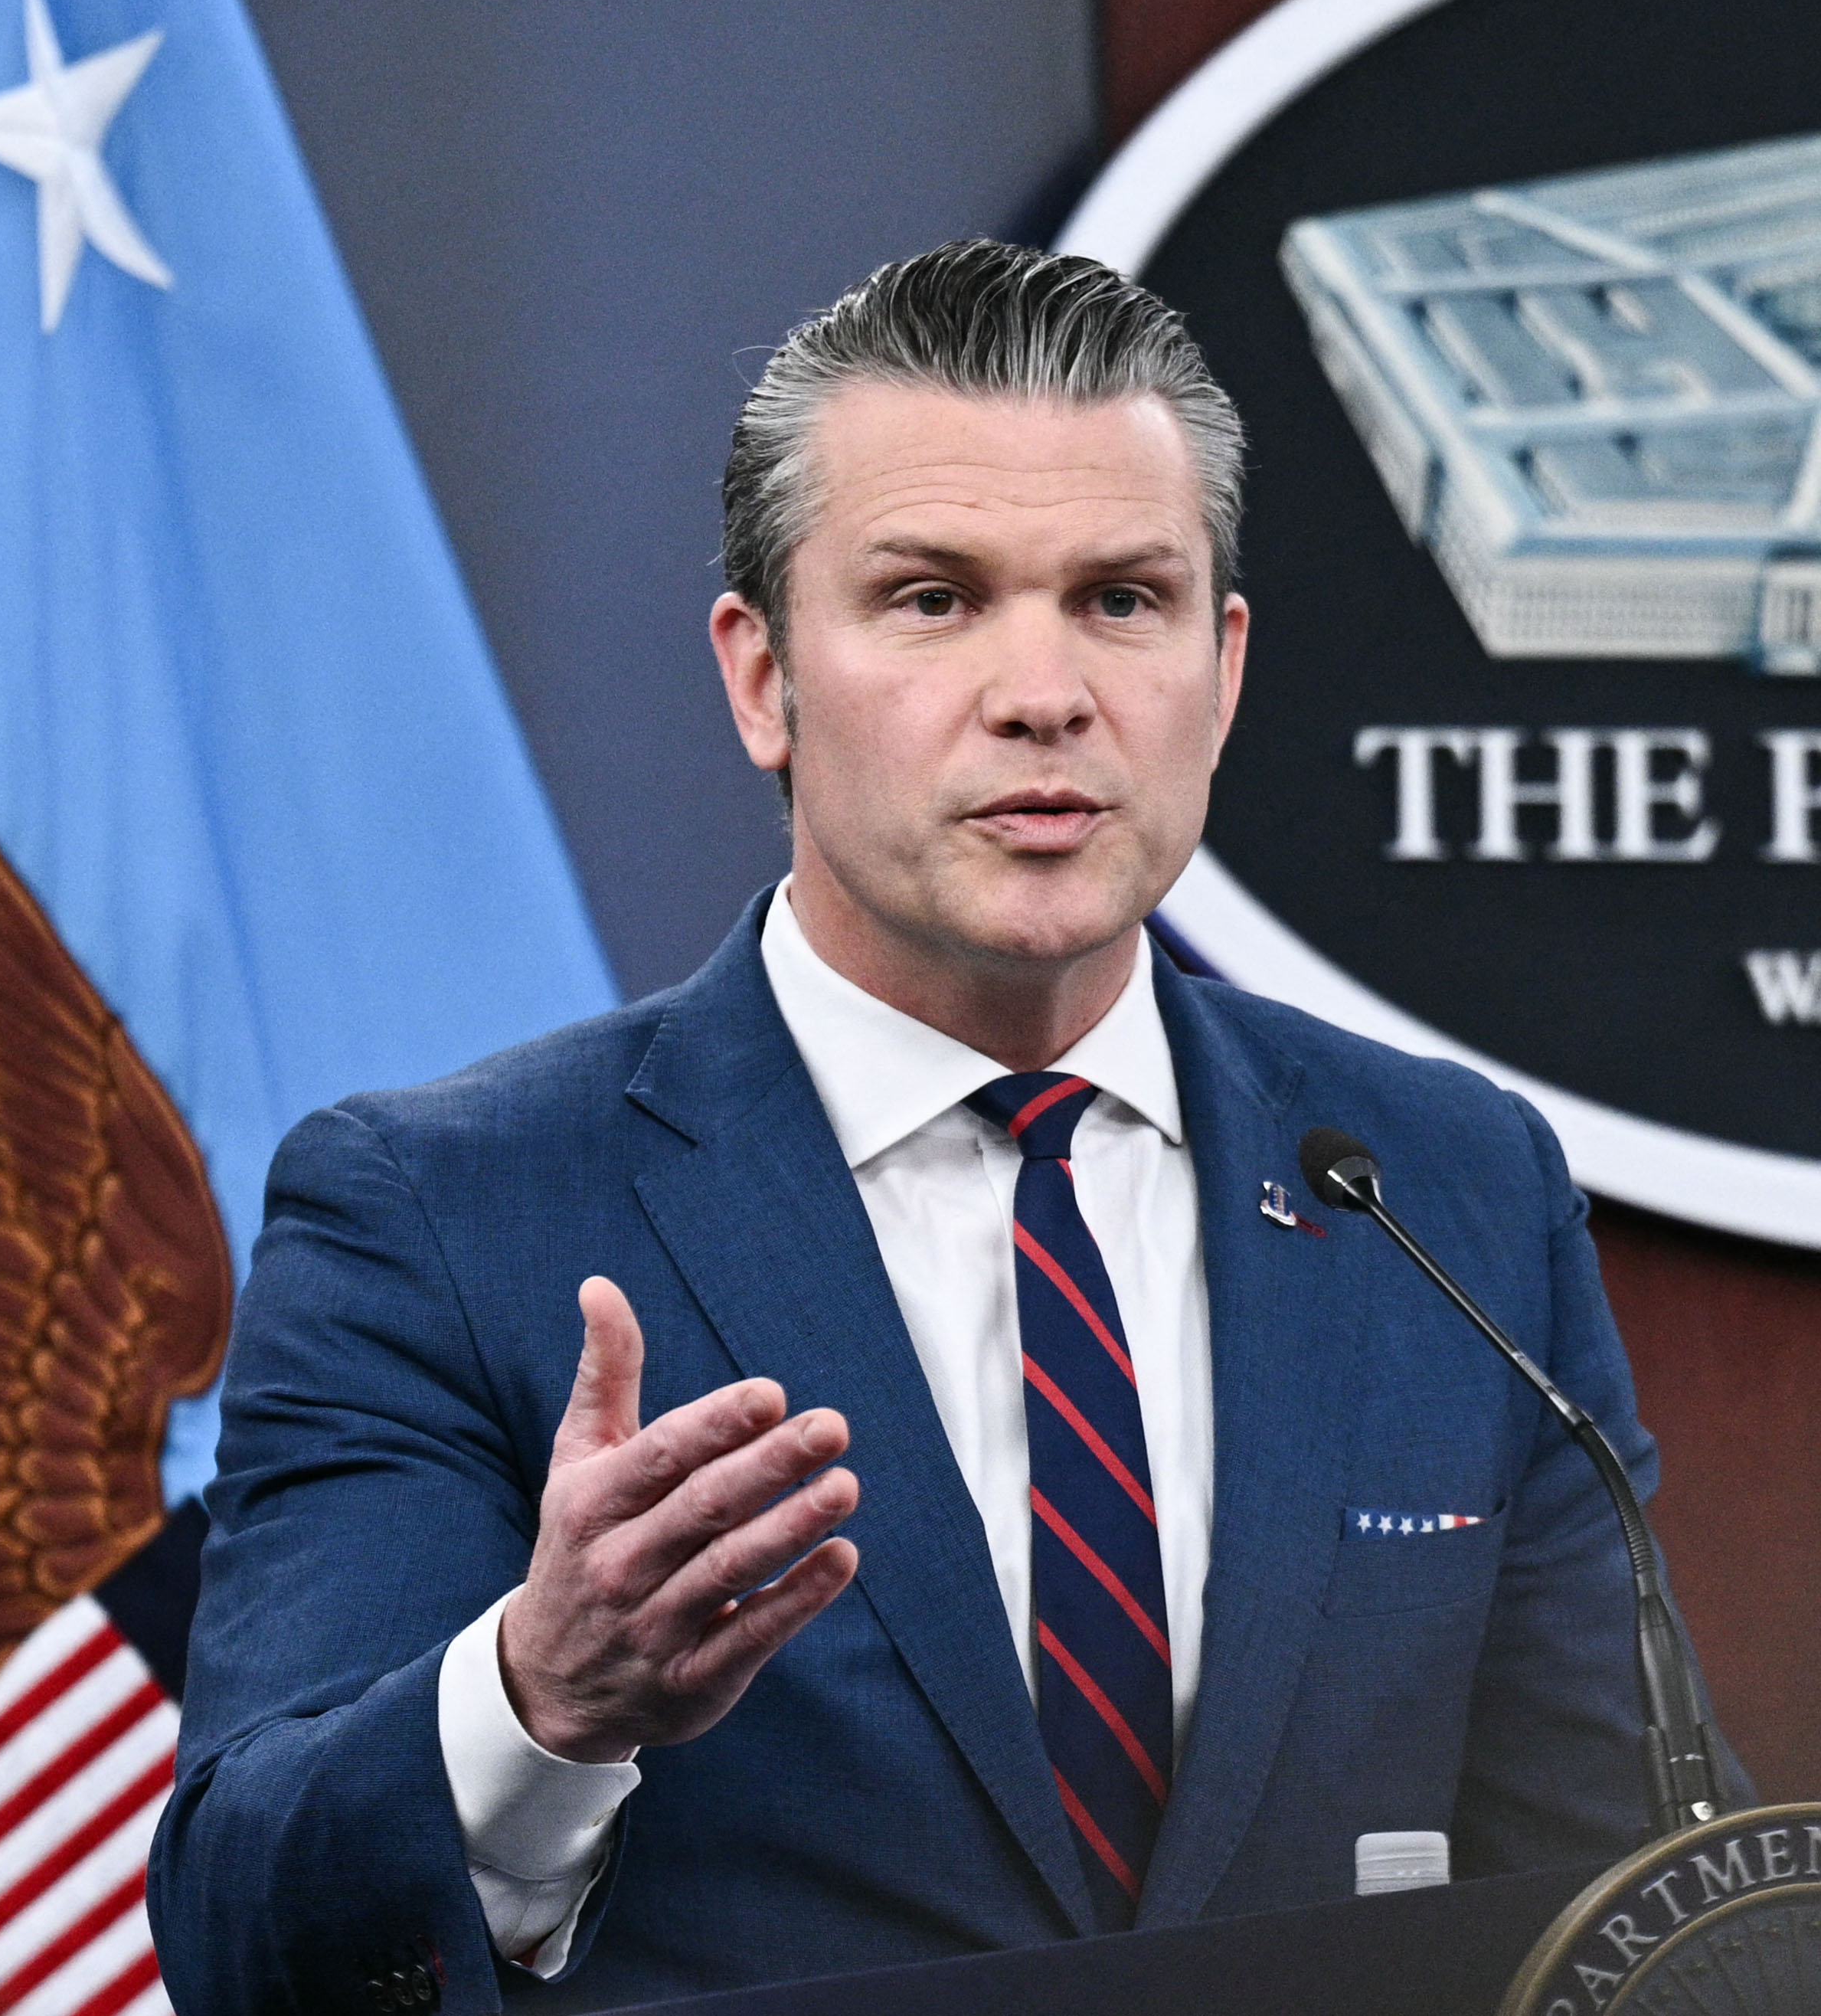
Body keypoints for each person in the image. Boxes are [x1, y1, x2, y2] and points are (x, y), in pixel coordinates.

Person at [149, 240, 1721, 2013]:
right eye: (932, 599)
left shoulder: (1442, 1188)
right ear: (763, 681)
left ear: (1224, 666)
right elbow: (241, 1936)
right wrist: (539, 1701)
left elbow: (1630, 1902)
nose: (1045, 691)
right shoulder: (441, 1212)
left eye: (1123, 600)